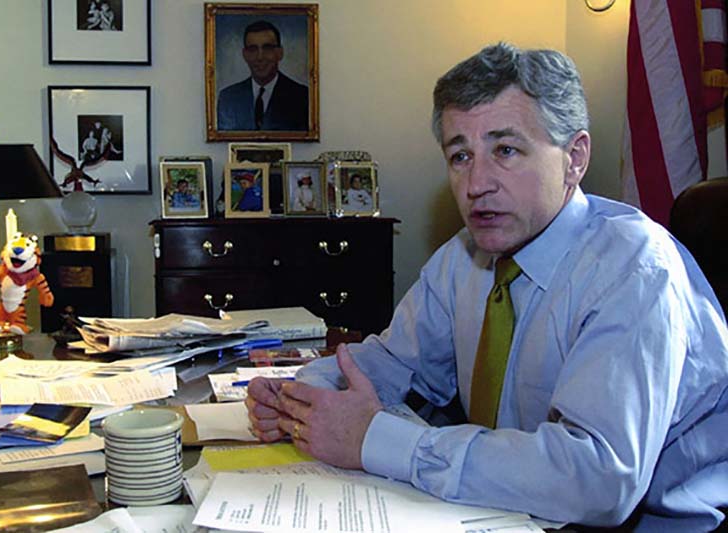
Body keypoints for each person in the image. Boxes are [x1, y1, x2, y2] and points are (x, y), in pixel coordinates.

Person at [245, 42, 728, 531]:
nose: (476, 183)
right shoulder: (462, 258)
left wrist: (380, 440)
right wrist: (298, 399)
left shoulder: (636, 269)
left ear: (574, 158)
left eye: (505, 150)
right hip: (499, 512)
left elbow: (598, 479)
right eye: (460, 155)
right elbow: (385, 365)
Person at [217, 20, 309, 131]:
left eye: (267, 48)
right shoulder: (229, 98)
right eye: (252, 49)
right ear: (245, 55)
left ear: (280, 53)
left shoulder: (302, 97)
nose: (260, 57)